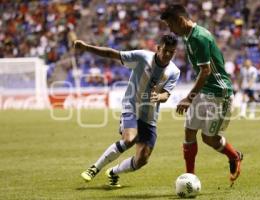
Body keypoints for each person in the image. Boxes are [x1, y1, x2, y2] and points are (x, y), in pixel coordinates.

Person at [73, 34, 180, 187]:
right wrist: (86, 47)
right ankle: (94, 168)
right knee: (129, 139)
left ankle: (113, 172)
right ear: (158, 48)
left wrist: (159, 96)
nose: (168, 55)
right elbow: (112, 53)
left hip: (149, 116)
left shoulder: (174, 71)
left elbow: (166, 95)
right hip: (131, 106)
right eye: (165, 50)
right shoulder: (142, 57)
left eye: (172, 52)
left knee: (142, 159)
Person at [160, 4, 243, 185]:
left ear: (179, 21)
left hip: (219, 94)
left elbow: (205, 71)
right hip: (204, 91)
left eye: (170, 25)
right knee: (189, 131)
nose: (170, 30)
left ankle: (235, 156)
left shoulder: (198, 37)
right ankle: (190, 178)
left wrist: (188, 98)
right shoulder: (189, 37)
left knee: (209, 138)